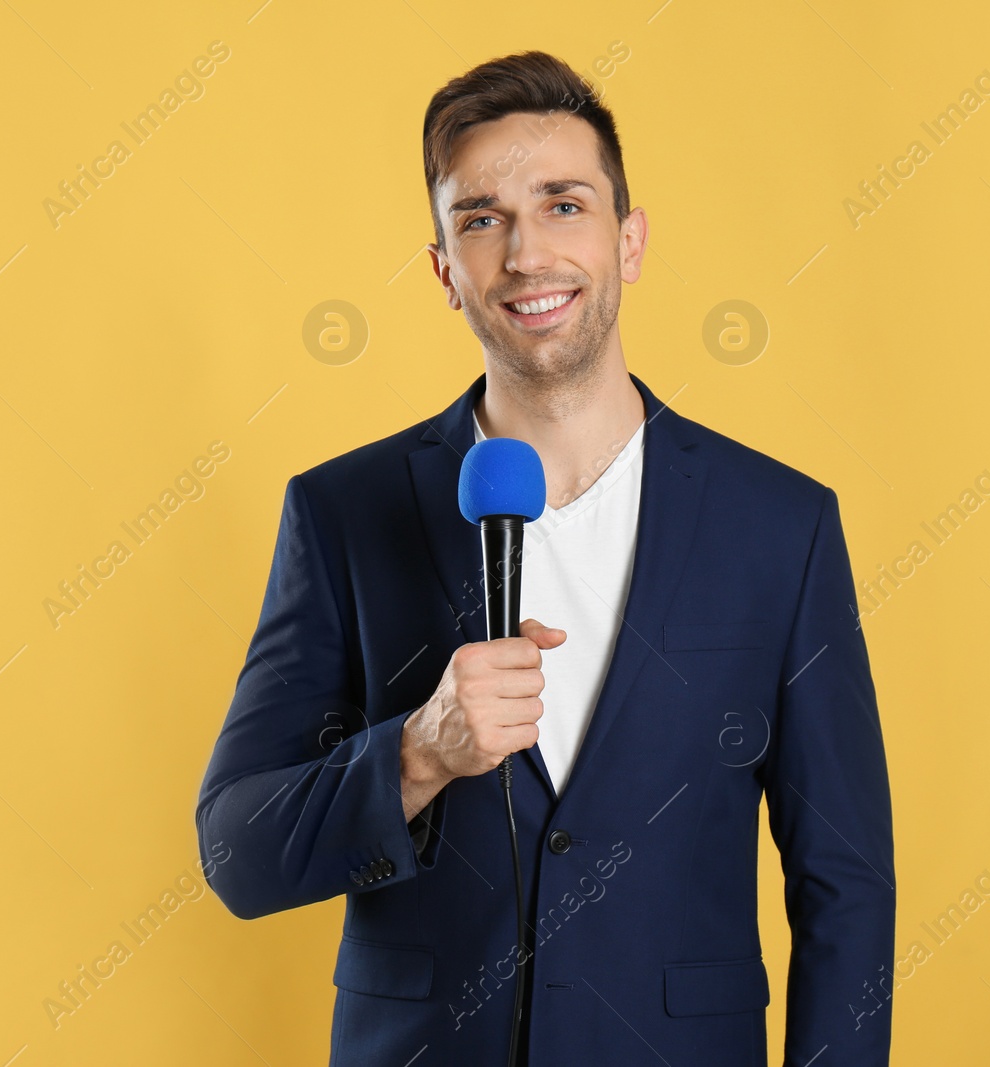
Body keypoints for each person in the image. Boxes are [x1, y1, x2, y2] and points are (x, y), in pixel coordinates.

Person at [195, 50, 896, 1066]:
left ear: (628, 239)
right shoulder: (342, 512)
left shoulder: (778, 525)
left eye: (563, 204)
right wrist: (418, 751)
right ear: (444, 269)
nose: (525, 254)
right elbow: (235, 850)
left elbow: (845, 884)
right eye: (480, 219)